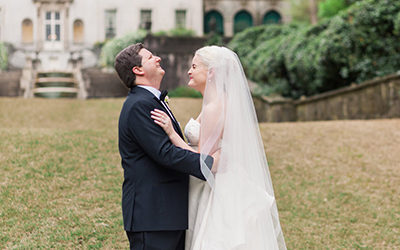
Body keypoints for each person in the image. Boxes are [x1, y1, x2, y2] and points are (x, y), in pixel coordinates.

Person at [151, 46, 287, 249]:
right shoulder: (216, 101)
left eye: (195, 66)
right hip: (220, 178)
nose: (189, 71)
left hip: (217, 186)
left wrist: (171, 133)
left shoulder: (215, 106)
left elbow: (203, 160)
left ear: (212, 72)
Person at [115, 43, 214, 250]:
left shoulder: (150, 100)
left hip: (167, 213)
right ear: (138, 70)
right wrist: (209, 164)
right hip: (152, 215)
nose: (158, 58)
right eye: (150, 57)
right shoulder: (139, 105)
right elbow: (165, 153)